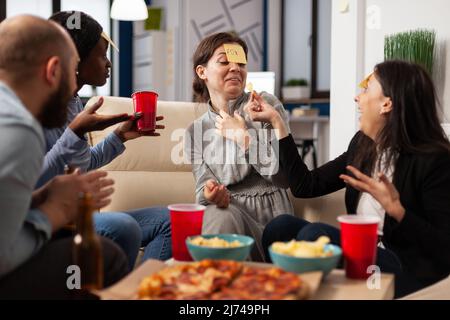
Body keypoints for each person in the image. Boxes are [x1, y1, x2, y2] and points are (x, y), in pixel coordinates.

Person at [246, 60, 450, 298]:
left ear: (387, 103)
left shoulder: (435, 160)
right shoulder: (363, 145)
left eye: (366, 90)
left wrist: (397, 211)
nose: (357, 97)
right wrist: (278, 123)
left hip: (403, 266)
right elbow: (305, 185)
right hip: (363, 253)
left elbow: (443, 247)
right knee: (280, 227)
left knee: (313, 237)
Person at [0, 15, 128, 299]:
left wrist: (44, 196)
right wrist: (53, 212)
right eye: (73, 70)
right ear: (54, 70)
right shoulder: (20, 128)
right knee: (106, 256)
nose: (74, 88)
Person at [37, 11, 171, 269]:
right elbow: (35, 183)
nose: (109, 64)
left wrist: (119, 136)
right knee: (124, 227)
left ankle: (139, 291)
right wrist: (73, 133)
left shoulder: (75, 102)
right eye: (102, 55)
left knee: (170, 220)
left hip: (78, 214)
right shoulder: (40, 106)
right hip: (51, 219)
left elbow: (81, 164)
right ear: (75, 58)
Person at [184, 32, 294, 261]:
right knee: (218, 214)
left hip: (275, 222)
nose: (235, 68)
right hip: (229, 217)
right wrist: (211, 194)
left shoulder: (265, 105)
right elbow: (202, 190)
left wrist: (244, 137)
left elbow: (284, 176)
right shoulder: (195, 132)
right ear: (201, 71)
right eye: (224, 61)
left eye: (241, 63)